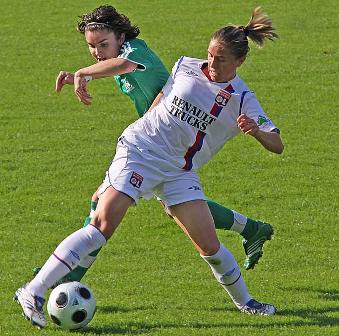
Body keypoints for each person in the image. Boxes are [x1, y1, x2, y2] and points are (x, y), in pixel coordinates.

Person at [15, 7, 283, 328]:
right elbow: (160, 100)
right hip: (142, 151)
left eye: (221, 59)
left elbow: (277, 144)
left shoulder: (243, 99)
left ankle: (247, 303)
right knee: (101, 225)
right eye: (210, 55)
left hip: (178, 170)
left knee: (209, 245)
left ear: (239, 62)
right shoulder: (186, 65)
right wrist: (141, 132)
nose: (211, 64)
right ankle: (34, 291)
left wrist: (256, 131)